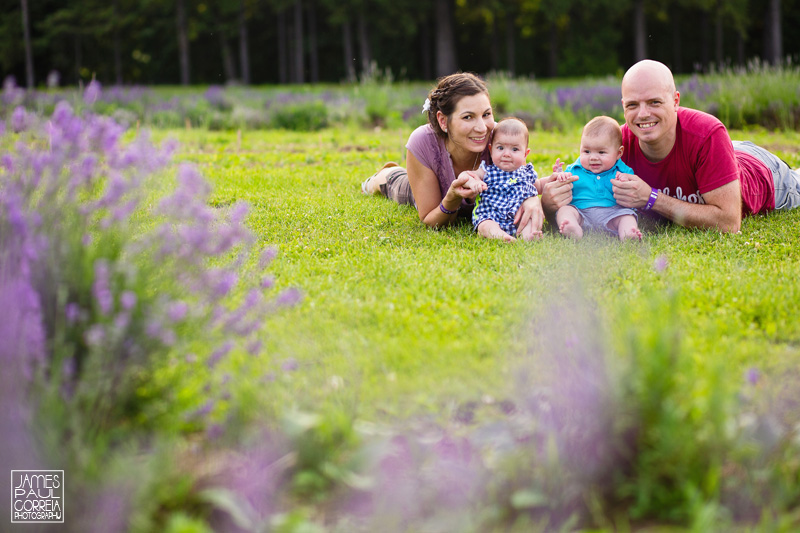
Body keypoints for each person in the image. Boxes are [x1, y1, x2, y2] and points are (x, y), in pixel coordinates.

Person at [608, 59, 800, 233]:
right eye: (632, 105)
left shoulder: (707, 133)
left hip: (763, 169)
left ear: (675, 101)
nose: (642, 114)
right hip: (719, 151)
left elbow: (729, 223)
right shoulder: (616, 143)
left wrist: (651, 198)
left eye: (654, 102)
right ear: (623, 106)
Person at [361, 72, 548, 235]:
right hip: (428, 190)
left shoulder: (500, 139)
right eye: (468, 117)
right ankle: (382, 175)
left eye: (486, 114)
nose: (482, 128)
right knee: (395, 184)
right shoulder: (423, 142)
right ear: (443, 121)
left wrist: (532, 198)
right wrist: (451, 198)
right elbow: (429, 219)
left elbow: (523, 179)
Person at [552, 116, 642, 241]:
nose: (593, 157)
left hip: (613, 213)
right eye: (587, 151)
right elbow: (562, 185)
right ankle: (573, 228)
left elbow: (633, 188)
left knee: (627, 216)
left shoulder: (623, 171)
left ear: (619, 153)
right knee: (565, 210)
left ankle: (628, 233)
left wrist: (625, 180)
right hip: (581, 213)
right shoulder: (575, 169)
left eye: (601, 152)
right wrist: (561, 176)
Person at [460, 117, 541, 242]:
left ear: (525, 154)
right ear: (491, 150)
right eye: (500, 148)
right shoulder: (486, 170)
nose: (506, 154)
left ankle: (528, 236)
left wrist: (555, 178)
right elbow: (464, 176)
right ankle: (500, 236)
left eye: (514, 149)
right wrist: (473, 182)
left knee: (529, 220)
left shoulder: (526, 172)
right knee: (485, 225)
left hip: (517, 216)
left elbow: (539, 185)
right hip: (491, 215)